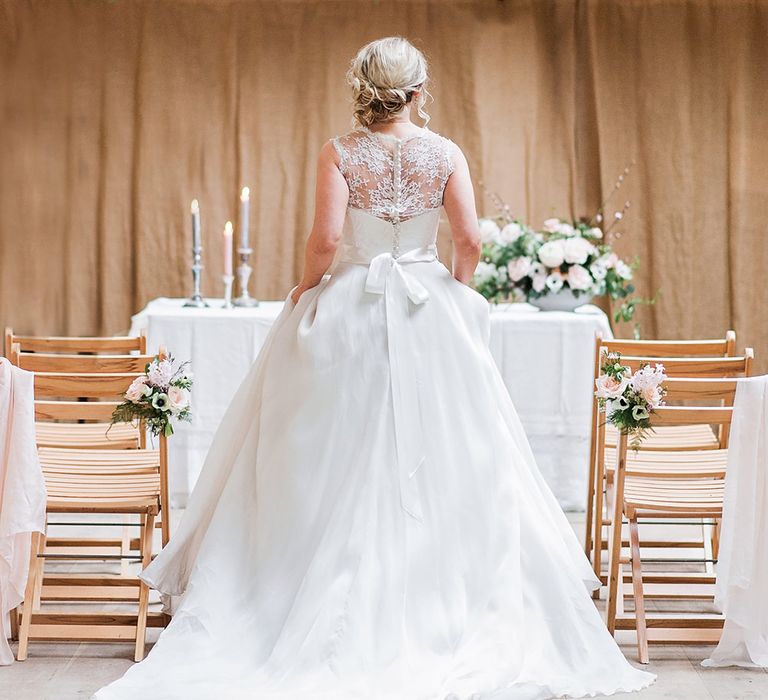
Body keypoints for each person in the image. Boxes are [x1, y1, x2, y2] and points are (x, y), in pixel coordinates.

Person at [94, 37, 655, 700]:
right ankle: (436, 600)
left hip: (349, 307)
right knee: (456, 454)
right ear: (420, 90)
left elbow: (328, 241)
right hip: (428, 306)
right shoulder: (445, 153)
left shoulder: (341, 151)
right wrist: (457, 287)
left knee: (318, 455)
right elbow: (470, 239)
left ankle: (288, 595)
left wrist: (307, 287)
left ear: (365, 88)